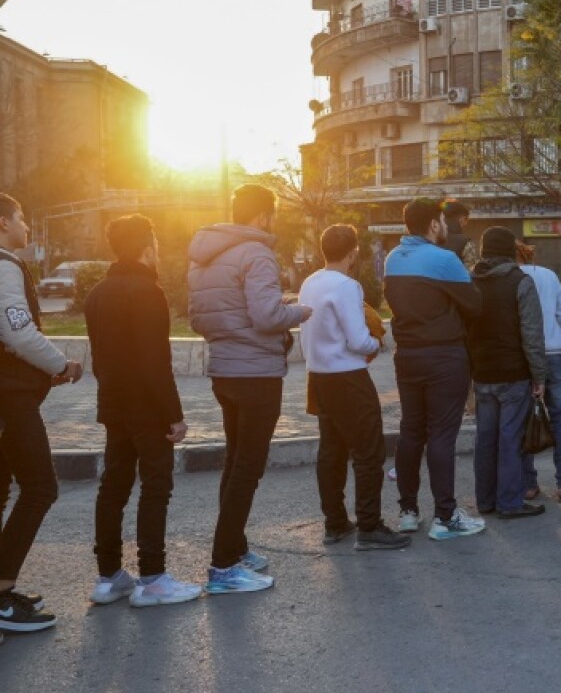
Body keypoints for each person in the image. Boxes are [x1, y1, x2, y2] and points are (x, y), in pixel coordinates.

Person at [188, 184, 311, 594]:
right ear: (263, 216)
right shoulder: (256, 252)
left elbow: (197, 318)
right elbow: (265, 315)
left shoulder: (204, 257)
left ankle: (235, 548)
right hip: (257, 374)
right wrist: (302, 310)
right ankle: (223, 565)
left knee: (235, 462)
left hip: (224, 371)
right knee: (248, 468)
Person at [85, 214, 202, 608]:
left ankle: (108, 577)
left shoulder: (97, 293)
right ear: (147, 248)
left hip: (113, 404)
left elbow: (99, 358)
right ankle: (152, 578)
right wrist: (174, 415)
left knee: (113, 488)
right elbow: (156, 362)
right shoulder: (147, 292)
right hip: (147, 409)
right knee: (156, 487)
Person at [0, 193, 84, 632]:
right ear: (2, 223)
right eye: (21, 218)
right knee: (39, 487)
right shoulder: (3, 265)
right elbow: (17, 331)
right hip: (9, 398)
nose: (27, 227)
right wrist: (60, 364)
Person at [299, 224, 411, 552]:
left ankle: (335, 523)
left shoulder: (310, 282)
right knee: (368, 452)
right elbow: (357, 339)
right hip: (348, 377)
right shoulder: (347, 286)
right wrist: (376, 339)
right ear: (352, 252)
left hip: (318, 377)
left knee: (331, 451)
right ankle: (369, 525)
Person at [384, 198, 486, 540]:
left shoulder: (393, 258)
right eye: (442, 221)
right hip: (444, 356)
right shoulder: (445, 259)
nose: (446, 226)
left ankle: (408, 511)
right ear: (433, 224)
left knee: (411, 430)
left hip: (407, 355)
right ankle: (446, 516)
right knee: (442, 434)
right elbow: (474, 306)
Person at [468, 228, 550, 519]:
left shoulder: (470, 281)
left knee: (485, 439)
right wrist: (539, 376)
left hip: (482, 373)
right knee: (510, 439)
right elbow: (532, 334)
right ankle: (509, 503)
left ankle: (485, 500)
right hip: (514, 373)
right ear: (509, 251)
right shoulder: (520, 281)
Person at [516, 242, 561, 502]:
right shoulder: (548, 275)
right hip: (553, 354)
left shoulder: (512, 278)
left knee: (524, 421)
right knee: (560, 419)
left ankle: (528, 484)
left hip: (522, 356)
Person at [441, 198, 479, 270]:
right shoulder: (465, 243)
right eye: (466, 220)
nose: (466, 224)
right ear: (461, 219)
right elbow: (470, 273)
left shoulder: (430, 239)